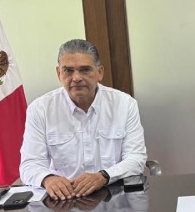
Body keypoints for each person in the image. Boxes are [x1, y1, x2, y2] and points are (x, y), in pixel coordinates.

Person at [20, 39, 147, 200]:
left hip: (112, 196)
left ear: (99, 72)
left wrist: (104, 176)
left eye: (85, 70)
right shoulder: (40, 109)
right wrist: (48, 179)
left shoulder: (124, 104)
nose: (76, 78)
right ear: (59, 73)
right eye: (68, 71)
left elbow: (136, 158)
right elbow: (30, 164)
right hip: (63, 200)